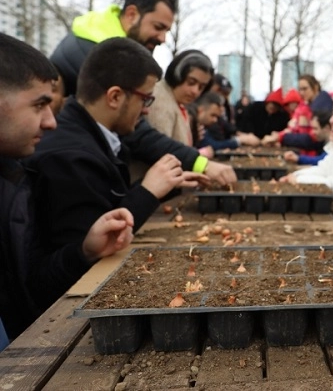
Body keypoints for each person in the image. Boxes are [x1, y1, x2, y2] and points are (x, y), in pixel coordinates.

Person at [25, 38, 205, 311]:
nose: (147, 109)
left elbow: (105, 205)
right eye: (145, 98)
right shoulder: (70, 157)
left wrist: (169, 184)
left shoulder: (89, 137)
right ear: (115, 96)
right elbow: (91, 252)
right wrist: (148, 190)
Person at [0, 33, 134, 346]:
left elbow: (32, 287)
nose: (51, 122)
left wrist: (84, 251)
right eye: (39, 105)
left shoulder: (13, 183)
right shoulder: (56, 161)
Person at [48, 0, 236, 186]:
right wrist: (200, 164)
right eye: (158, 27)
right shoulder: (104, 57)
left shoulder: (94, 40)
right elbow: (138, 135)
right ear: (131, 14)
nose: (162, 39)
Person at [130, 49, 214, 181]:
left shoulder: (175, 101)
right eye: (191, 82)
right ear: (177, 74)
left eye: (201, 87)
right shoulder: (159, 98)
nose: (195, 91)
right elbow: (160, 153)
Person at [189, 92, 257, 154]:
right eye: (213, 115)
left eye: (217, 117)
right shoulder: (190, 122)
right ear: (201, 110)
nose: (215, 120)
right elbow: (212, 145)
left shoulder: (201, 125)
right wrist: (239, 140)